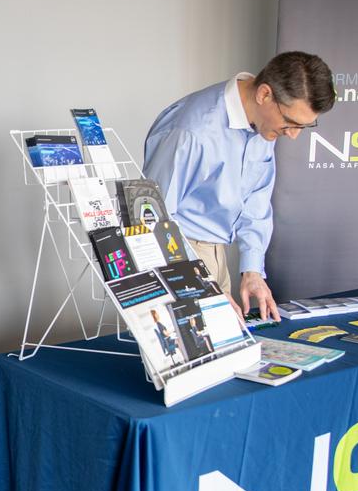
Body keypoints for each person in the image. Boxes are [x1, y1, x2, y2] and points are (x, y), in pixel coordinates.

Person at [142, 51, 335, 321]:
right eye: (290, 123)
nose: (293, 135)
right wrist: (197, 283)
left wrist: (252, 271)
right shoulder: (191, 131)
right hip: (177, 256)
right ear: (265, 94)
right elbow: (153, 220)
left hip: (217, 251)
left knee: (225, 355)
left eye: (305, 126)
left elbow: (256, 203)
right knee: (192, 356)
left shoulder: (264, 124)